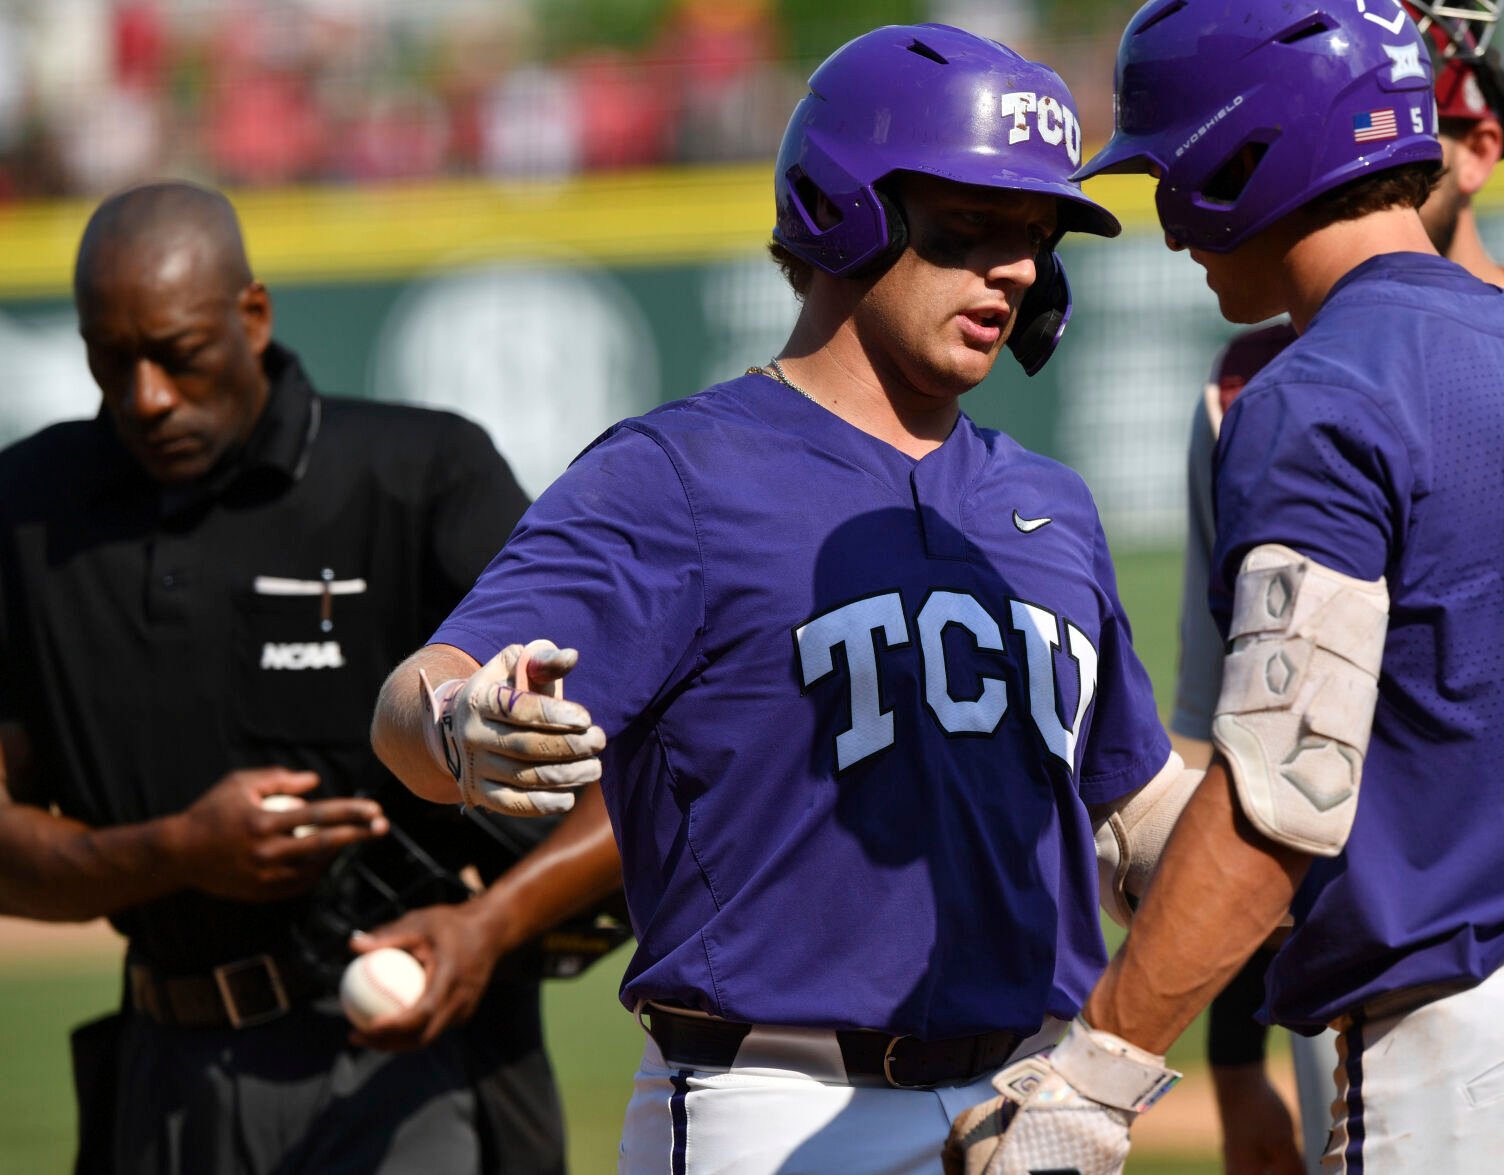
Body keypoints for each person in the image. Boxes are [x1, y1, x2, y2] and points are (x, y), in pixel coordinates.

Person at [945, 1, 1504, 1171]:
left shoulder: (1317, 387)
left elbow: (1285, 784)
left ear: (1246, 156)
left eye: (1171, 171)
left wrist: (1099, 1062)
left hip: (1484, 1051)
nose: (1169, 225)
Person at [370, 23, 1190, 1174]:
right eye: (972, 226)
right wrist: (457, 727)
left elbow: (1132, 811)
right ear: (844, 209)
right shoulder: (675, 474)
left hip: (1031, 1111)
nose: (1013, 267)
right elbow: (419, 694)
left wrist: (1311, 837)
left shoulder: (1048, 503)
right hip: (769, 1104)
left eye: (1035, 236)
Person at [0, 180, 608, 1175]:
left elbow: (635, 763)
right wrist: (176, 849)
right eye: (111, 362)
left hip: (412, 1059)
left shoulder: (421, 474)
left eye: (177, 355)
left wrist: (487, 923)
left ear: (253, 315)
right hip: (164, 1071)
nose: (145, 396)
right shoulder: (28, 511)